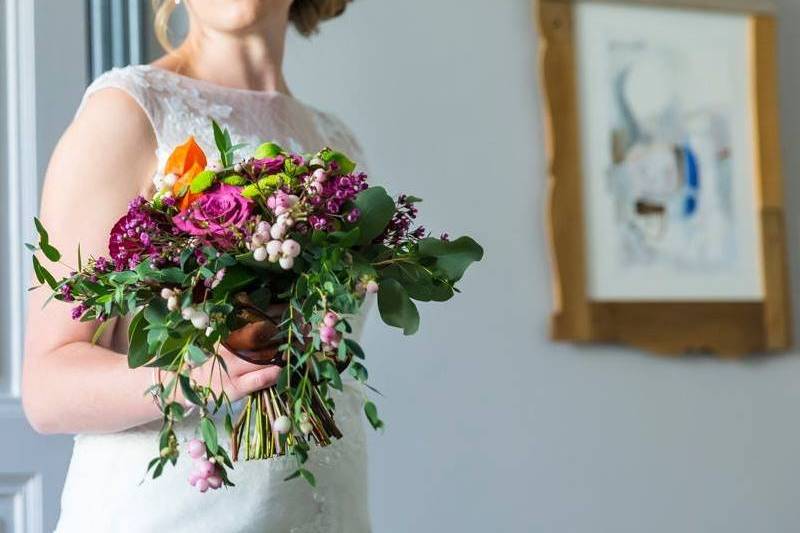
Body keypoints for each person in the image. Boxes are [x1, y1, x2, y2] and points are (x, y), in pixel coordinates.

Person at [22, 1, 371, 531]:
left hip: (325, 502)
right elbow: (48, 388)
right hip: (175, 508)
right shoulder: (128, 112)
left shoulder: (337, 143)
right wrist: (199, 378)